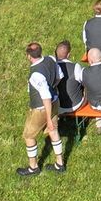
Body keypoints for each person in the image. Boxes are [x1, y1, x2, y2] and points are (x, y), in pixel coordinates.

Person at [19, 41, 67, 177]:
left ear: (28, 56)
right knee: (53, 131)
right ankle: (60, 163)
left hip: (41, 108)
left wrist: (47, 118)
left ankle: (33, 167)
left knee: (29, 136)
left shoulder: (36, 75)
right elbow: (59, 76)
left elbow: (45, 96)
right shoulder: (51, 59)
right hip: (55, 101)